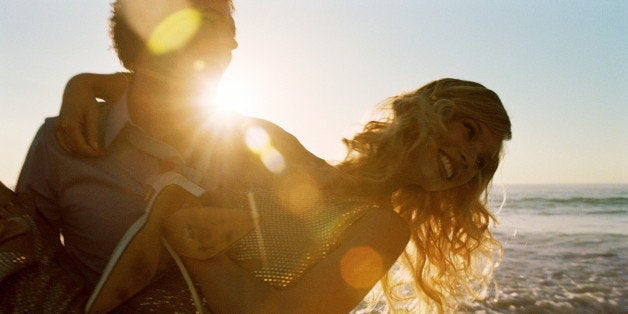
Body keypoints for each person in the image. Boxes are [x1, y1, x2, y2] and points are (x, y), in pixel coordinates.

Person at [19, 1, 512, 313]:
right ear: (422, 110)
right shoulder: (284, 152)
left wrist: (189, 240)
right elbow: (178, 92)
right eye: (468, 132)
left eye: (481, 162)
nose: (468, 161)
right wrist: (85, 84)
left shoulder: (383, 226)